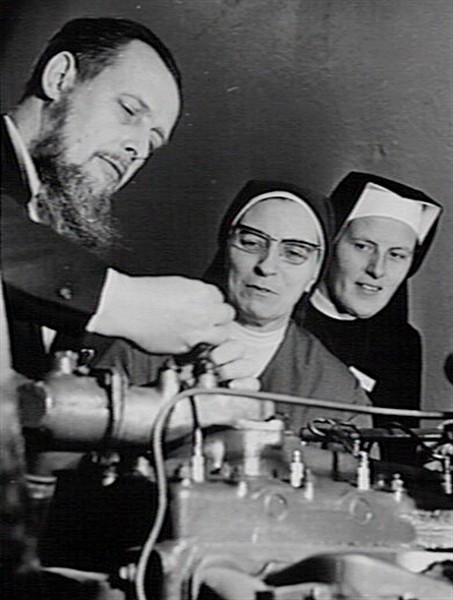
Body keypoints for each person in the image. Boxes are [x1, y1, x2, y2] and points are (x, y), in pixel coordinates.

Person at [1, 17, 246, 383]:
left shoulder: (48, 231)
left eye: (153, 142)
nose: (137, 149)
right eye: (129, 110)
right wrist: (126, 301)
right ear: (59, 78)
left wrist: (164, 398)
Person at [98, 180, 371, 432]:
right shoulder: (142, 348)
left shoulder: (340, 393)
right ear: (225, 251)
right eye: (251, 243)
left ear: (314, 274)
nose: (267, 266)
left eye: (294, 253)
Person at [303, 172, 442, 463]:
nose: (377, 269)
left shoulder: (401, 344)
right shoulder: (281, 320)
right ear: (330, 243)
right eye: (363, 246)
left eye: (397, 255)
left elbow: (398, 456)